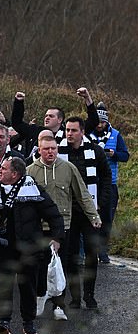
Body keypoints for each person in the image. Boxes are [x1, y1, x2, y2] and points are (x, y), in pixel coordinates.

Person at [0, 157, 63, 334]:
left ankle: (28, 323)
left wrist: (57, 237)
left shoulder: (33, 189)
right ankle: (3, 322)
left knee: (27, 286)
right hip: (2, 246)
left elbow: (53, 214)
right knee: (3, 286)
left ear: (15, 174)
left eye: (4, 169)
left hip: (28, 248)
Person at [27, 136, 100, 321]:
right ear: (39, 150)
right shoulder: (30, 171)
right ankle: (39, 296)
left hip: (63, 226)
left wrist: (93, 216)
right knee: (40, 265)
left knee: (59, 266)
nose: (50, 152)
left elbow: (82, 194)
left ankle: (59, 305)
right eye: (46, 149)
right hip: (38, 227)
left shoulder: (68, 168)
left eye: (53, 148)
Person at [59, 117, 111, 309]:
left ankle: (89, 295)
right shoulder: (58, 150)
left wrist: (101, 203)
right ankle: (75, 297)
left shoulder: (95, 150)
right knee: (70, 255)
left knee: (91, 255)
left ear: (82, 132)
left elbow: (106, 177)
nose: (69, 134)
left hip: (90, 211)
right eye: (67, 130)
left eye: (73, 130)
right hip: (68, 211)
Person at [89, 103, 130, 263]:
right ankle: (89, 248)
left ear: (107, 122)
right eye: (97, 122)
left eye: (103, 122)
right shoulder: (87, 133)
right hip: (91, 182)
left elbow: (125, 156)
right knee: (90, 217)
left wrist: (114, 154)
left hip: (109, 183)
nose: (99, 125)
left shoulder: (116, 135)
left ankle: (103, 251)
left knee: (107, 218)